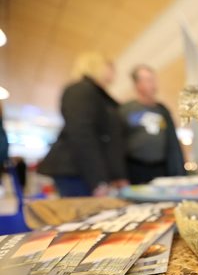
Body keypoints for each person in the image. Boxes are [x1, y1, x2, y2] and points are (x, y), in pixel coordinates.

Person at [38, 52, 128, 197]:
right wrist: (98, 181)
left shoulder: (98, 95)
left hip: (87, 172)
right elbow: (82, 134)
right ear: (95, 66)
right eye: (109, 66)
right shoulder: (80, 90)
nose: (113, 71)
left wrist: (116, 175)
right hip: (77, 172)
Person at [119, 65, 185, 184]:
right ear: (137, 84)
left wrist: (179, 169)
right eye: (148, 80)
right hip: (135, 169)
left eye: (153, 80)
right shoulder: (125, 110)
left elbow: (173, 142)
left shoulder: (162, 110)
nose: (153, 84)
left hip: (161, 169)